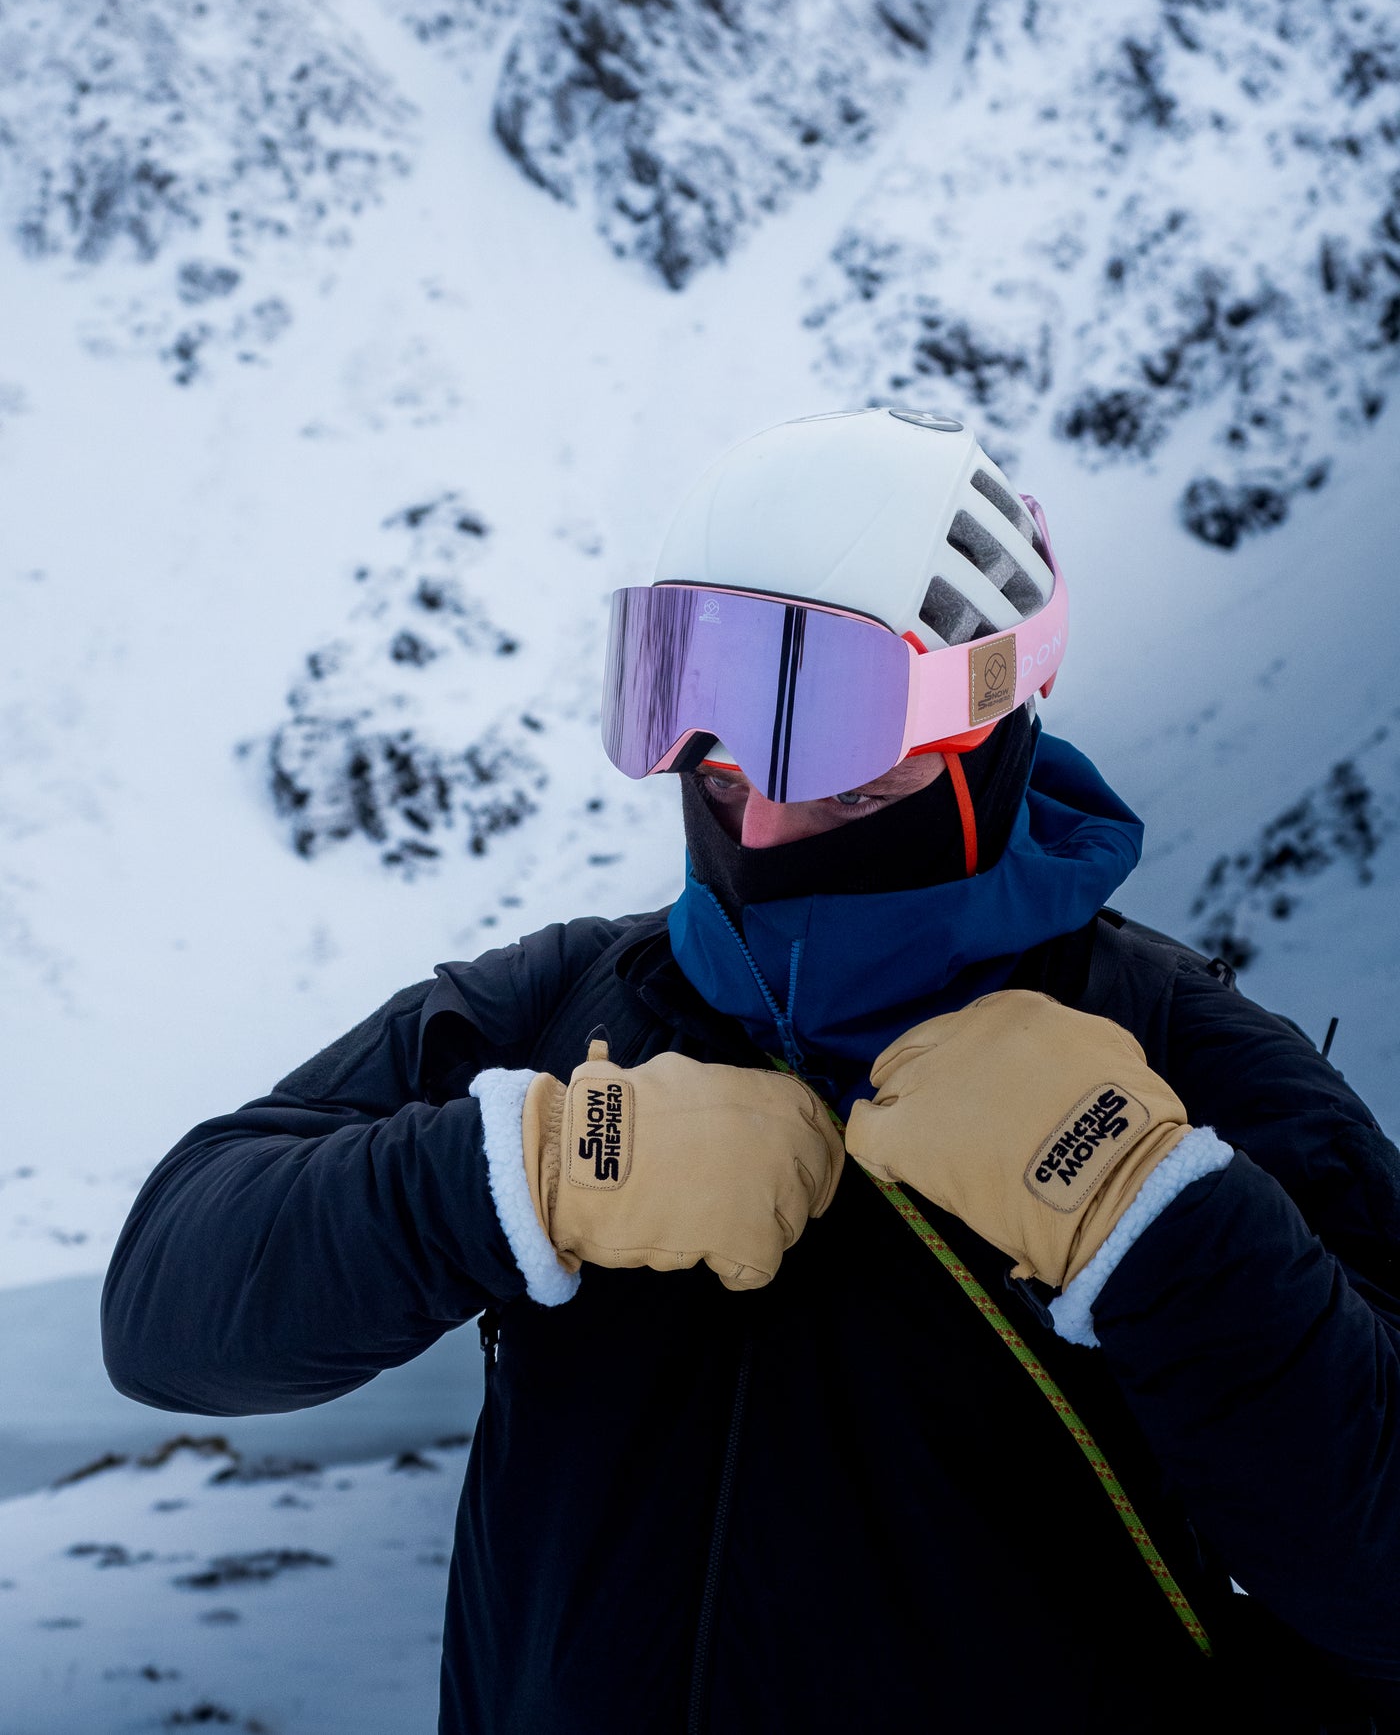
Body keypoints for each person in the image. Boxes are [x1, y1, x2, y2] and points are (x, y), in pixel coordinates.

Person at [103, 409, 1400, 1735]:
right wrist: (525, 1173)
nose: (765, 823)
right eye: (718, 759)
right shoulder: (566, 1012)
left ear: (990, 733)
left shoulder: (1181, 1066)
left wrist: (1160, 1220)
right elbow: (165, 1314)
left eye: (848, 770)